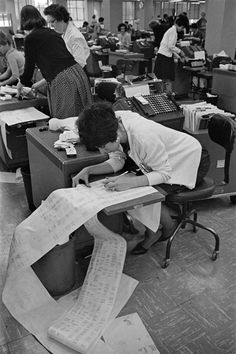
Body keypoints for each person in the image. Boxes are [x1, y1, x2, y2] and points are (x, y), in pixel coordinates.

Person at [72, 102, 210, 255]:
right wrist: (89, 170)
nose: (101, 150)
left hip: (190, 160)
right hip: (164, 160)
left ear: (115, 137)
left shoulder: (142, 135)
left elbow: (164, 173)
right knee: (133, 189)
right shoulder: (113, 125)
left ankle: (164, 228)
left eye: (103, 146)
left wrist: (131, 183)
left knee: (144, 195)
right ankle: (156, 227)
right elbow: (118, 159)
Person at [17, 5, 92, 119]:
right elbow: (56, 63)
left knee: (64, 120)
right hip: (77, 74)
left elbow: (28, 70)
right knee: (82, 118)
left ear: (23, 20)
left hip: (63, 79)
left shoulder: (31, 39)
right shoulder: (52, 33)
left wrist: (20, 84)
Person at [44, 4, 90, 70]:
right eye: (49, 23)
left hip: (77, 73)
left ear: (61, 18)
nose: (52, 25)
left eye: (53, 22)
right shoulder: (65, 32)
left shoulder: (74, 36)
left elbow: (80, 63)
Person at [153, 17, 186, 94]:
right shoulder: (173, 32)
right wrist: (180, 52)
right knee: (168, 79)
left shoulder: (170, 30)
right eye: (182, 27)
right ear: (180, 26)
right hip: (165, 58)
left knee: (163, 79)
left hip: (162, 56)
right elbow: (171, 46)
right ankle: (168, 96)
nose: (182, 29)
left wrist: (178, 56)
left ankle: (164, 95)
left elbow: (168, 47)